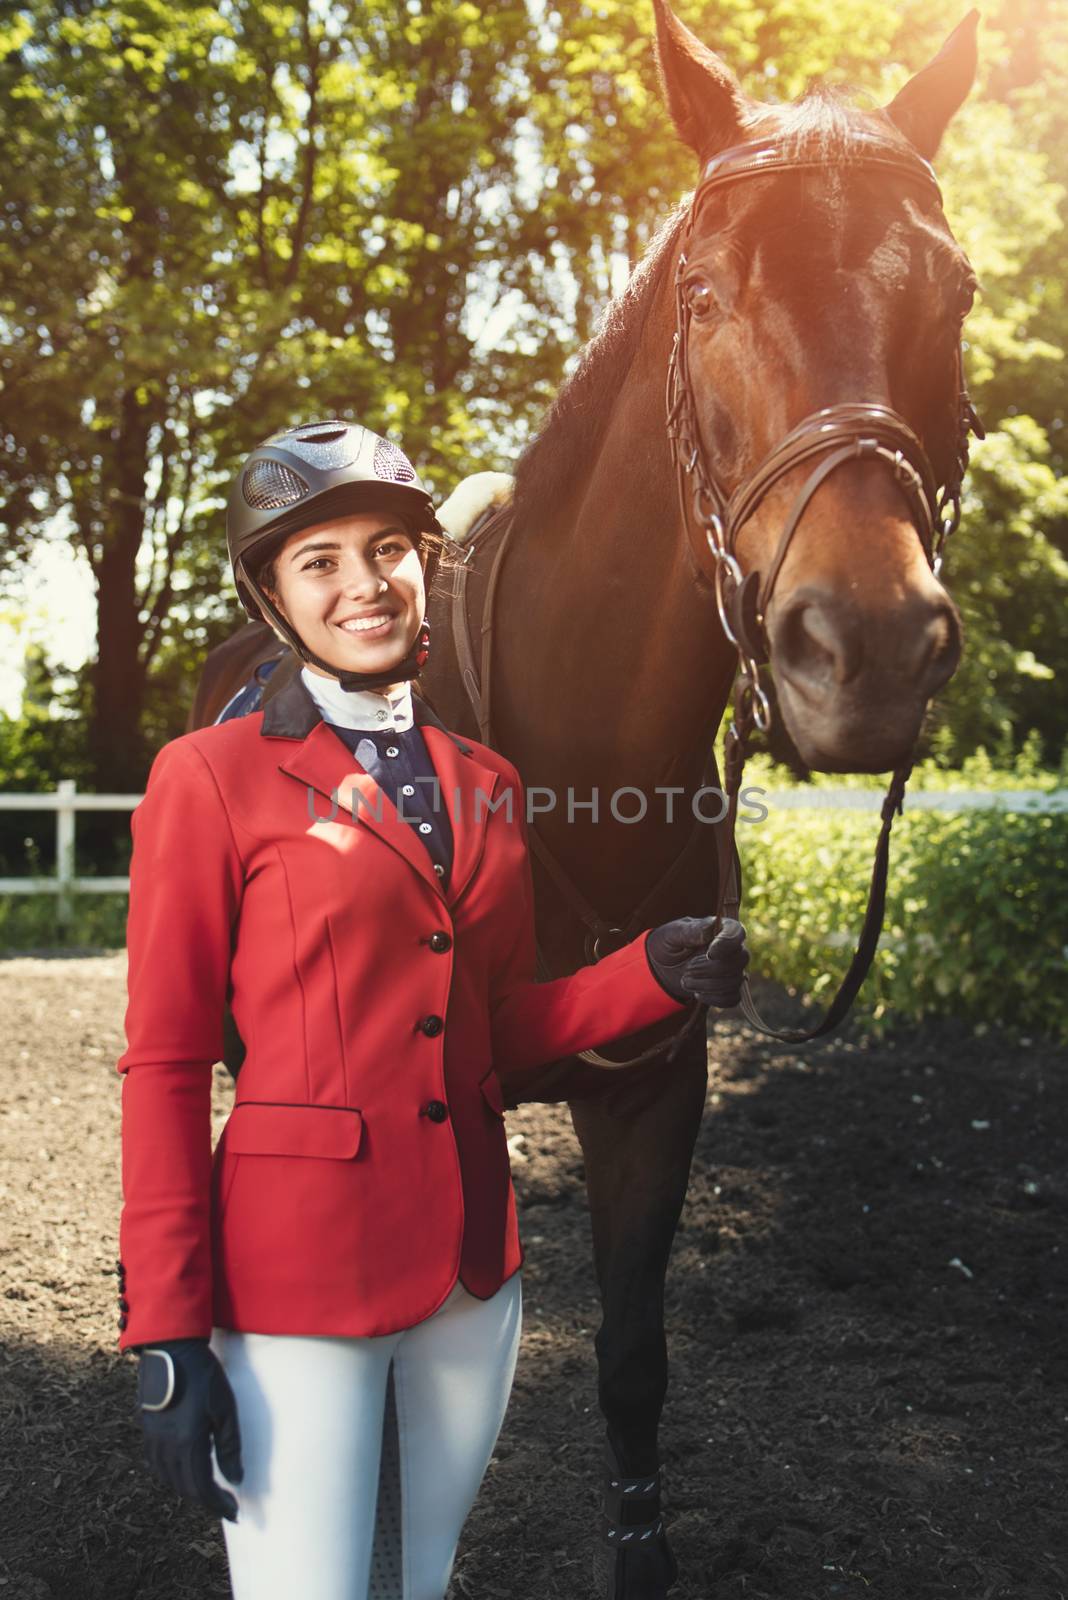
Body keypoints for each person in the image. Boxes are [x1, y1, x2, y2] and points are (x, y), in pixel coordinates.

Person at [117, 418, 749, 1600]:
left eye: (389, 549)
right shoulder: (207, 776)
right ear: (274, 593)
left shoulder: (486, 784)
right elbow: (163, 1063)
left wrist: (649, 973)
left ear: (427, 561)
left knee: (421, 1584)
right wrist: (163, 1325)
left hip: (474, 1279)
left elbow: (493, 1031)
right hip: (295, 1281)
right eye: (321, 561)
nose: (365, 583)